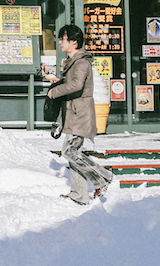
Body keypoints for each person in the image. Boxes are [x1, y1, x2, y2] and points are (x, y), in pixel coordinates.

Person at [45, 24, 116, 205]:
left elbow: (77, 85)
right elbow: (75, 82)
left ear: (74, 42)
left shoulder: (82, 62)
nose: (60, 42)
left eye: (64, 39)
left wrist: (56, 91)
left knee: (70, 151)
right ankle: (79, 195)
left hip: (80, 113)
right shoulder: (74, 62)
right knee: (72, 153)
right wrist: (60, 81)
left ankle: (103, 178)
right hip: (73, 112)